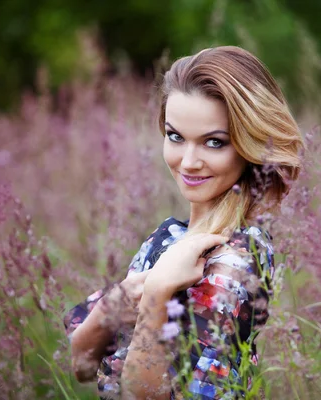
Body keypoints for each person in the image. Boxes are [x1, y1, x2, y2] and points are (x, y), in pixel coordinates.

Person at [64, 46, 303, 399]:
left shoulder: (236, 259)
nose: (188, 162)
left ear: (251, 145)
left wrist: (156, 294)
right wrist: (116, 302)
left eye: (214, 142)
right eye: (175, 136)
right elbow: (81, 365)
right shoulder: (170, 237)